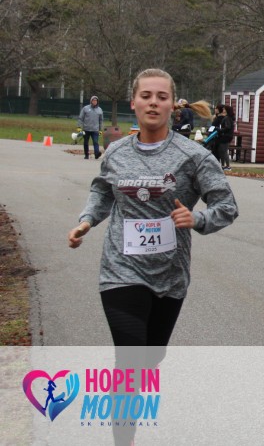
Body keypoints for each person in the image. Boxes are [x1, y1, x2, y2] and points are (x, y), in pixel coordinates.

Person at [67, 68, 238, 446]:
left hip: (170, 275)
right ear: (134, 102)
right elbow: (102, 192)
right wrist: (86, 221)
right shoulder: (116, 152)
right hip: (120, 269)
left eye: (161, 97)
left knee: (148, 359)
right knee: (130, 359)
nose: (153, 103)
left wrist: (197, 219)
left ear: (172, 105)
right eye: (146, 96)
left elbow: (226, 206)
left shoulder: (193, 156)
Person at [78, 95, 104, 160]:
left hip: (95, 130)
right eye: (93, 100)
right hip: (86, 129)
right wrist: (79, 127)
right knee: (86, 142)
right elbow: (81, 118)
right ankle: (86, 155)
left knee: (95, 142)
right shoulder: (85, 108)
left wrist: (100, 130)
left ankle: (97, 154)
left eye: (96, 100)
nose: (95, 102)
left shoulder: (100, 110)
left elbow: (101, 121)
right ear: (91, 101)